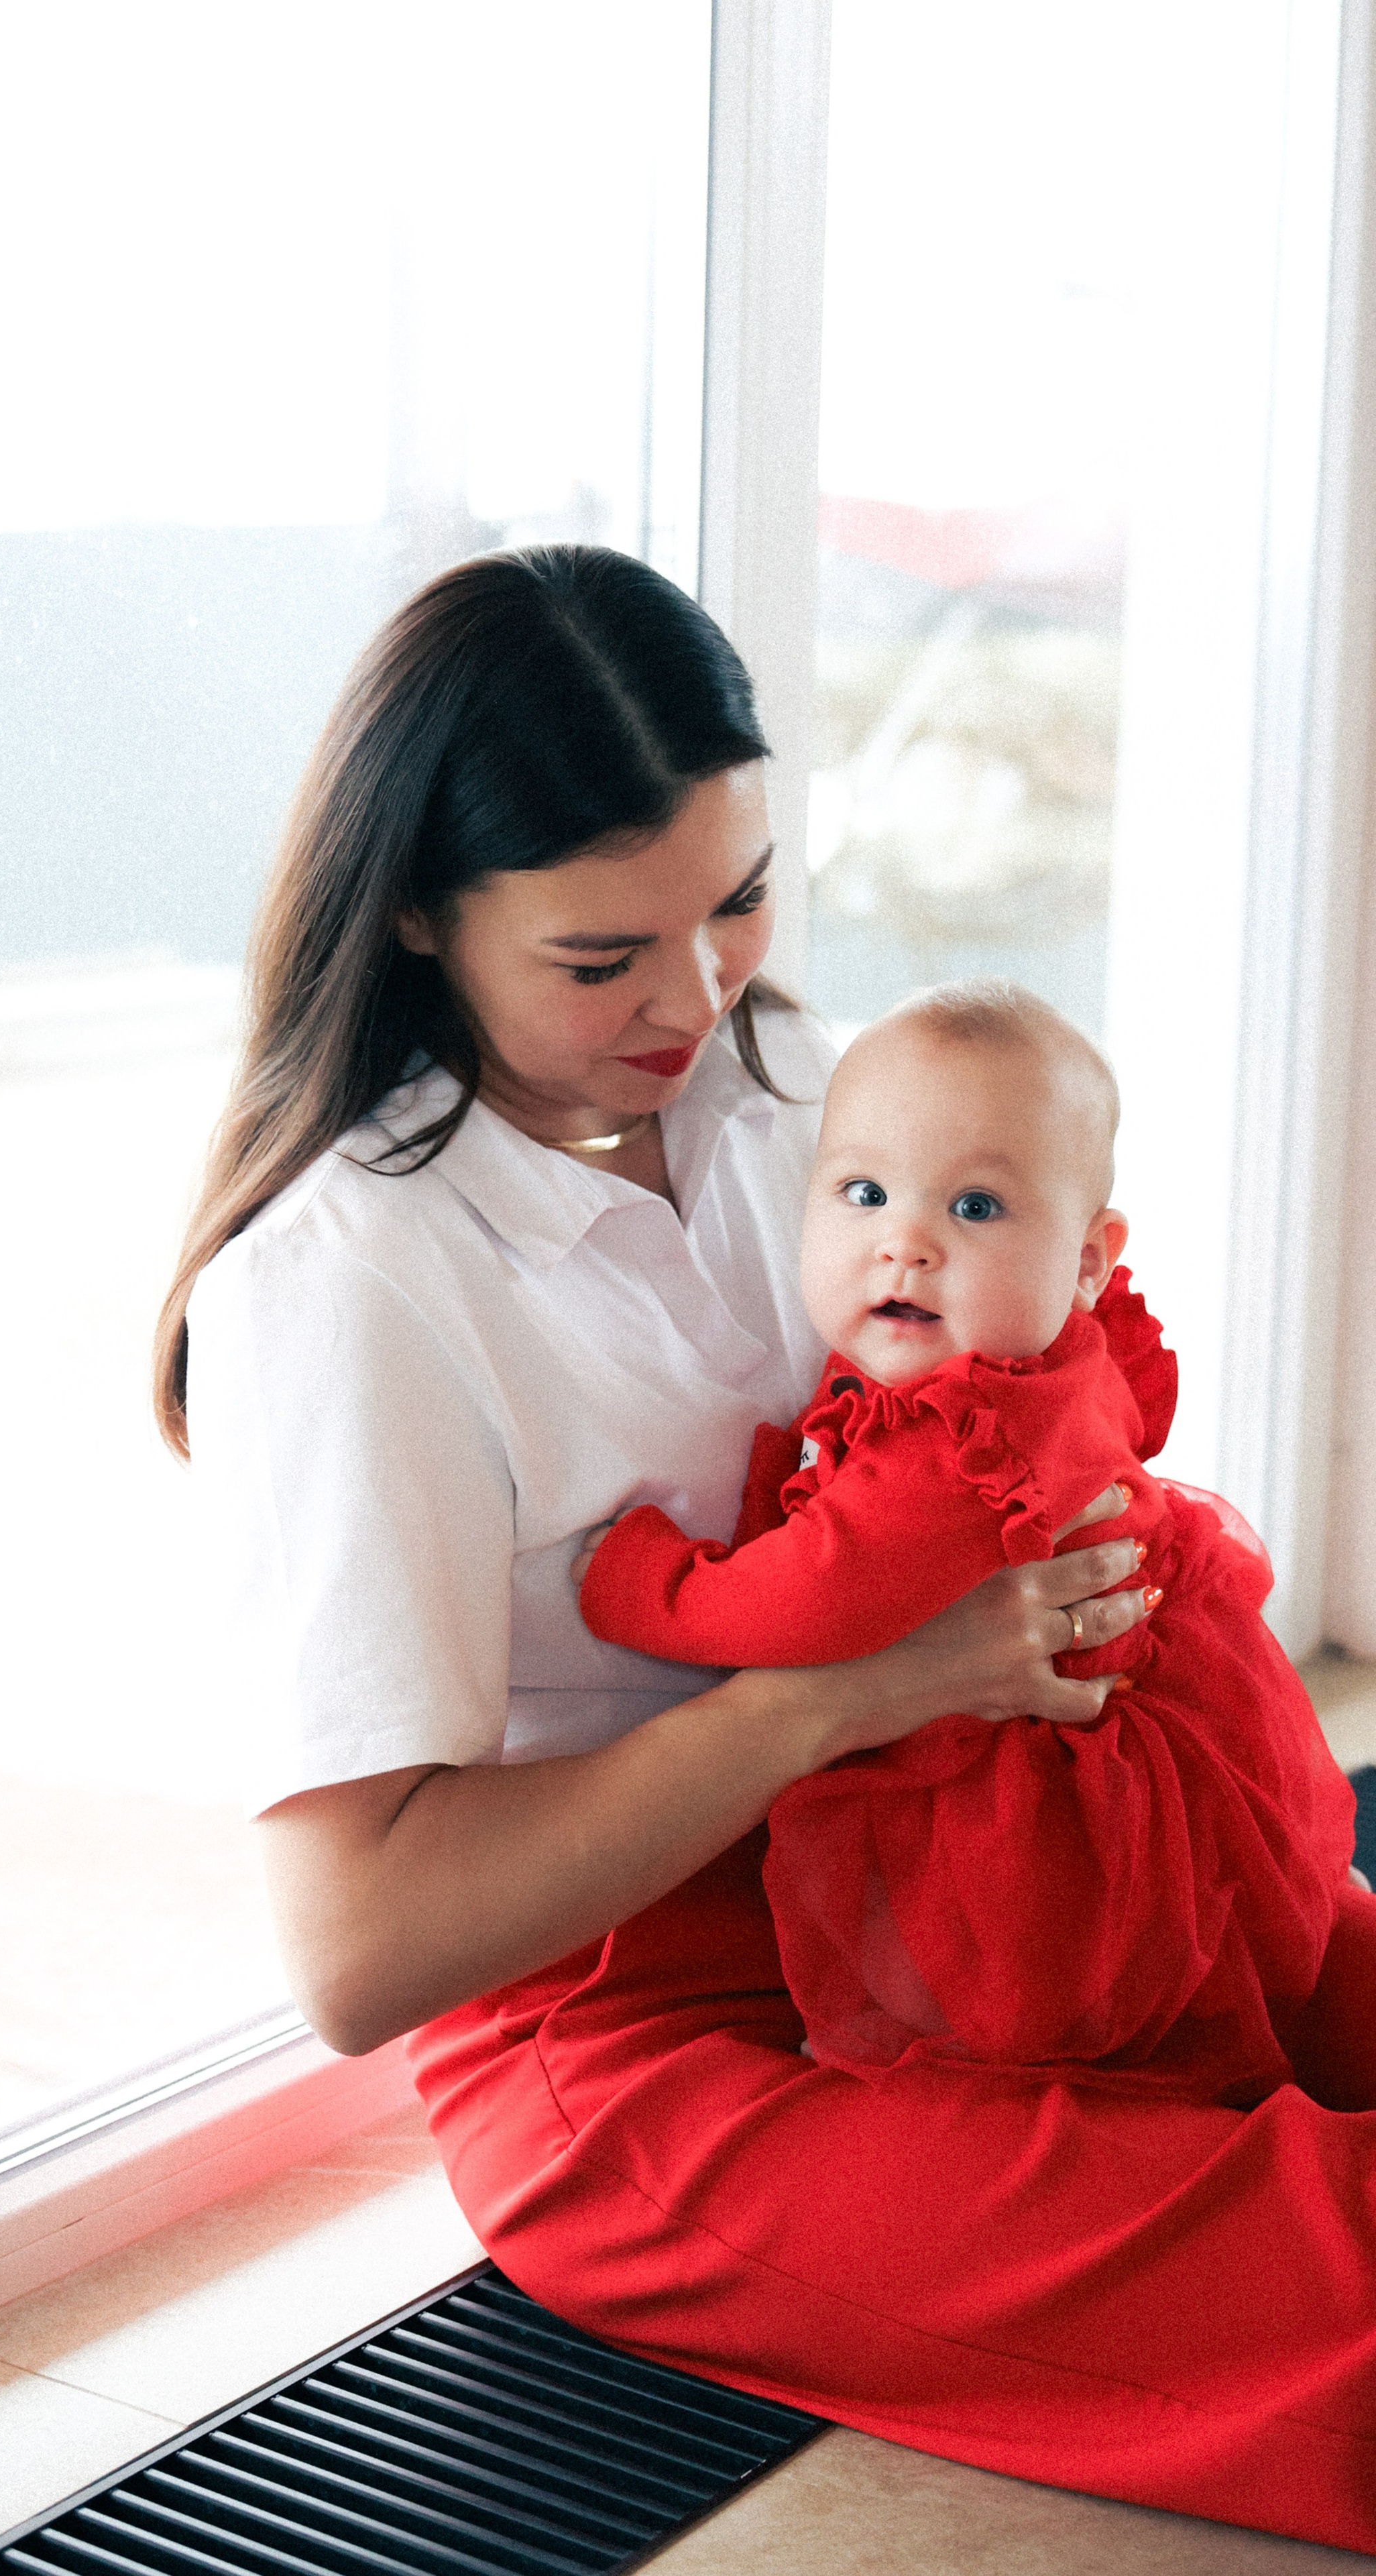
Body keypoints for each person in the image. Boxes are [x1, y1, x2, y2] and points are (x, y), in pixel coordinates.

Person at [157, 547, 1376, 2553]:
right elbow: (362, 1958)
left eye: (738, 898)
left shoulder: (800, 1094)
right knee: (1307, 2275)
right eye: (598, 956)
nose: (696, 991)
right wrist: (851, 1696)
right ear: (414, 917)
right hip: (636, 2028)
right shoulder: (347, 1285)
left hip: (987, 1854)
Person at [575, 984, 1362, 2105]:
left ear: (1088, 1261)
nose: (906, 1241)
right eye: (863, 1192)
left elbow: (805, 1601)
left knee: (1019, 2025)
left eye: (978, 1208)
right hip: (1154, 1743)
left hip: (1028, 1823)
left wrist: (640, 1579)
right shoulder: (1050, 1361)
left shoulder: (958, 1446)